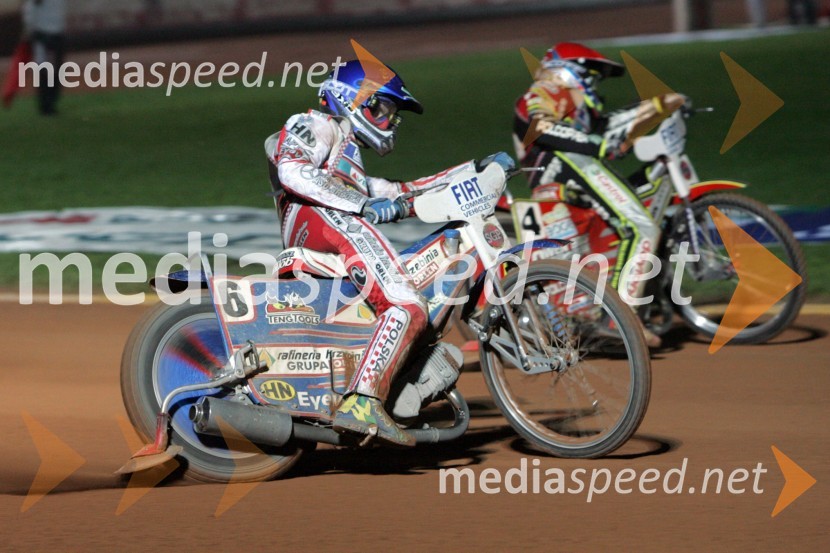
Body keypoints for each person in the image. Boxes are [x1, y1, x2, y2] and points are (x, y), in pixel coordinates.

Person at [265, 59, 511, 446]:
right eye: (382, 109)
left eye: (392, 114)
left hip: (334, 226)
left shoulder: (350, 159)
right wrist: (360, 205)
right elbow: (292, 171)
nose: (389, 121)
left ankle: (384, 386)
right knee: (406, 305)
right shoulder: (316, 123)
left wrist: (471, 170)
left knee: (422, 318)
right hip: (319, 222)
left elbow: (399, 192)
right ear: (351, 99)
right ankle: (363, 403)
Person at [513, 42, 685, 348]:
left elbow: (611, 127)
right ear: (567, 72)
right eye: (591, 76)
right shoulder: (545, 91)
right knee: (641, 226)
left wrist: (658, 106)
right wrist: (597, 144)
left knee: (634, 219)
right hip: (564, 167)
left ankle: (622, 305)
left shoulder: (577, 110)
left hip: (568, 173)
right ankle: (621, 317)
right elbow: (541, 126)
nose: (594, 85)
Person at [22, 0, 66, 115]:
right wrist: (31, 30)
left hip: (56, 32)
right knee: (45, 70)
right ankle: (46, 104)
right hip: (42, 34)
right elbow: (30, 8)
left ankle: (50, 101)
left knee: (56, 70)